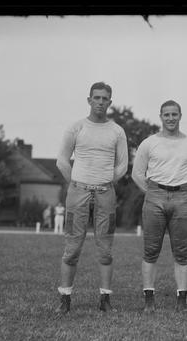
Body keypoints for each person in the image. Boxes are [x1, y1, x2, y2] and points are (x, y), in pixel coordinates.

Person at [53, 82, 128, 314]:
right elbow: (62, 161)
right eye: (96, 98)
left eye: (105, 98)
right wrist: (76, 183)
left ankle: (105, 300)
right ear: (89, 100)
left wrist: (105, 181)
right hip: (78, 193)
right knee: (73, 247)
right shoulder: (76, 128)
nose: (100, 102)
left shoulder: (117, 131)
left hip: (106, 193)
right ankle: (65, 299)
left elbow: (123, 164)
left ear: (110, 102)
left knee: (105, 249)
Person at [132, 100, 187, 313]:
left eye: (174, 114)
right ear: (160, 116)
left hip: (182, 197)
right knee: (151, 250)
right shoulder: (149, 143)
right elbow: (137, 173)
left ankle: (181, 301)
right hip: (155, 196)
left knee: (182, 252)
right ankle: (149, 300)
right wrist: (154, 193)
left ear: (180, 116)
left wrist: (179, 192)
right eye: (166, 115)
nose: (170, 118)